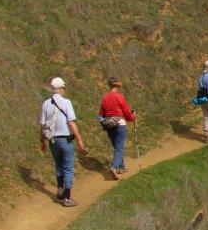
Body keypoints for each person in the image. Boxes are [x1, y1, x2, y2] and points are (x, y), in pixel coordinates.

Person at [38, 77, 87, 207]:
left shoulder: (45, 104)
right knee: (68, 168)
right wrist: (79, 139)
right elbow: (71, 122)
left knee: (58, 165)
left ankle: (60, 188)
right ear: (60, 89)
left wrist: (42, 141)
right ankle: (67, 197)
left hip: (52, 141)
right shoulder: (66, 102)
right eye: (63, 88)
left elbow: (42, 125)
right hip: (65, 139)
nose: (64, 90)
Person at [98, 77, 136, 178]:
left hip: (109, 124)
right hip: (120, 123)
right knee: (119, 148)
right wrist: (133, 117)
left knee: (116, 146)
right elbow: (127, 112)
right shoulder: (119, 96)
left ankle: (121, 167)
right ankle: (114, 167)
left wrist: (103, 123)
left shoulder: (105, 98)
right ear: (117, 86)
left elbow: (100, 115)